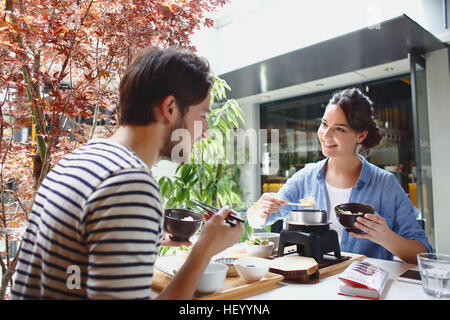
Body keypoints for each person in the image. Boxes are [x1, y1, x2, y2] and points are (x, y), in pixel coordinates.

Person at [11, 47, 242, 299]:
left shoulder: (75, 161)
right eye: (203, 116)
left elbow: (71, 270)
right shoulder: (131, 185)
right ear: (170, 108)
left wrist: (139, 240)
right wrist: (204, 250)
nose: (206, 131)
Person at [247, 88, 431, 264]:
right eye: (324, 124)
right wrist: (259, 210)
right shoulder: (305, 178)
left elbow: (424, 254)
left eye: (339, 129)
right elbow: (257, 221)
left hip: (362, 289)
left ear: (361, 135)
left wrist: (387, 238)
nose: (326, 135)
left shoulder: (385, 185)